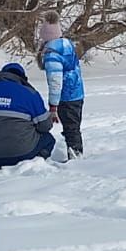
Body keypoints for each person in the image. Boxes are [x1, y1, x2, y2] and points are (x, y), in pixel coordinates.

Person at [36, 11, 85, 156]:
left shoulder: (52, 55)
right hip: (77, 92)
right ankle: (75, 153)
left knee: (71, 129)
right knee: (73, 127)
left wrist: (53, 106)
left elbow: (55, 82)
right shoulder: (67, 45)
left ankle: (76, 155)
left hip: (66, 96)